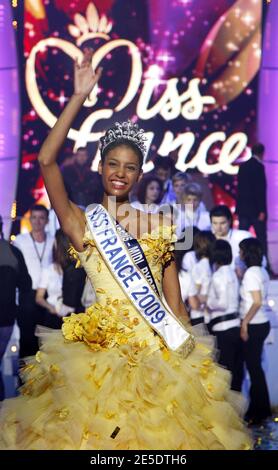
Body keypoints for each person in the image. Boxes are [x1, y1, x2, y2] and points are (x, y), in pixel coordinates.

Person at [0, 49, 251, 450]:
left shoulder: (160, 224)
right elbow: (47, 159)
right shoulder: (82, 223)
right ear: (101, 167)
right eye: (113, 164)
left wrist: (190, 367)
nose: (120, 173)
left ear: (139, 173)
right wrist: (79, 96)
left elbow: (176, 306)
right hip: (99, 360)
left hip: (158, 357)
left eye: (130, 167)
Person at [13, 205, 54, 357]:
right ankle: (25, 380)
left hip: (49, 296)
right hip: (27, 295)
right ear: (30, 219)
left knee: (46, 342)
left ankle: (44, 380)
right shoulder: (20, 241)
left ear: (47, 221)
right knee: (27, 341)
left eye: (41, 218)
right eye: (34, 217)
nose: (37, 222)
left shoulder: (53, 240)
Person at [238, 238, 272, 425]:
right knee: (255, 368)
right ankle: (261, 409)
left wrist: (244, 323)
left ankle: (258, 412)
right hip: (261, 323)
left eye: (241, 251)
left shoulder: (251, 273)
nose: (239, 255)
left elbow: (257, 301)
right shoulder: (261, 271)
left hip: (254, 324)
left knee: (254, 369)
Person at [0, 216, 32, 400]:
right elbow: (26, 285)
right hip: (6, 318)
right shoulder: (13, 252)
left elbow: (26, 285)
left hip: (5, 317)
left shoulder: (12, 252)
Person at [206, 240, 241, 391]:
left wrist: (208, 302)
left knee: (225, 370)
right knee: (235, 369)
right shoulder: (232, 273)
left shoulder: (218, 276)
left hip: (223, 327)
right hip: (235, 326)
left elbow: (222, 303)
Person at [36, 229, 86, 329]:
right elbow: (39, 298)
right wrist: (52, 308)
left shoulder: (74, 269)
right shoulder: (50, 269)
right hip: (56, 317)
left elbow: (73, 300)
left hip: (72, 318)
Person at [236, 144, 268, 258]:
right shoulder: (259, 167)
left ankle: (239, 263)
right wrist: (262, 211)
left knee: (241, 239)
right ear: (262, 153)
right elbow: (260, 191)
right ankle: (265, 266)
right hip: (256, 211)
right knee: (261, 240)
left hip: (243, 210)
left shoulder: (243, 166)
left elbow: (239, 189)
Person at [210, 205, 251, 274]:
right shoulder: (207, 240)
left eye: (222, 223)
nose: (218, 227)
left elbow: (260, 260)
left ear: (229, 221)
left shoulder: (243, 237)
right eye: (215, 223)